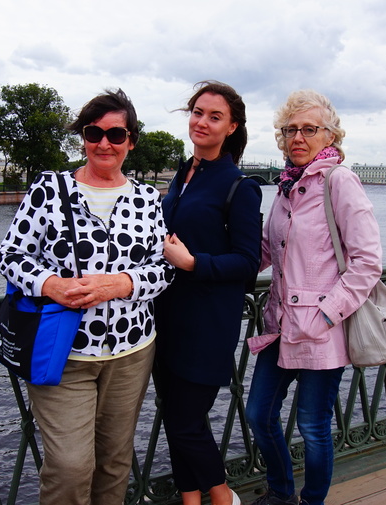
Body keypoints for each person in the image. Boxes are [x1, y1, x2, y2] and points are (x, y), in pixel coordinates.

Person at [0, 89, 173, 505]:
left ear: (131, 141)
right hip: (64, 352)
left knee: (114, 462)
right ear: (83, 138)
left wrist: (121, 284)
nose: (104, 143)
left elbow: (163, 269)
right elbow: (10, 255)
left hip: (131, 351)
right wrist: (51, 285)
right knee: (70, 467)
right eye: (94, 133)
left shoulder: (147, 198)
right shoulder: (49, 189)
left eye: (116, 134)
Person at [245, 90, 382, 505]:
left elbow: (367, 262)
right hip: (281, 325)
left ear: (330, 135)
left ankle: (311, 501)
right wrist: (216, 267)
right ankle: (281, 492)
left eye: (309, 129)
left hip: (323, 330)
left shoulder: (339, 181)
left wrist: (325, 316)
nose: (298, 138)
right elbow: (267, 249)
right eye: (291, 130)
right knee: (259, 414)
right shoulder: (287, 186)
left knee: (313, 425)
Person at [154, 81, 262, 505]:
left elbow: (248, 262)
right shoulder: (182, 176)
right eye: (197, 112)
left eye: (214, 116)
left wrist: (193, 263)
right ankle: (191, 500)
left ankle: (222, 496)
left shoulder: (240, 186)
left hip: (207, 324)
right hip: (164, 317)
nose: (202, 122)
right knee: (176, 418)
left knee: (185, 423)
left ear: (231, 127)